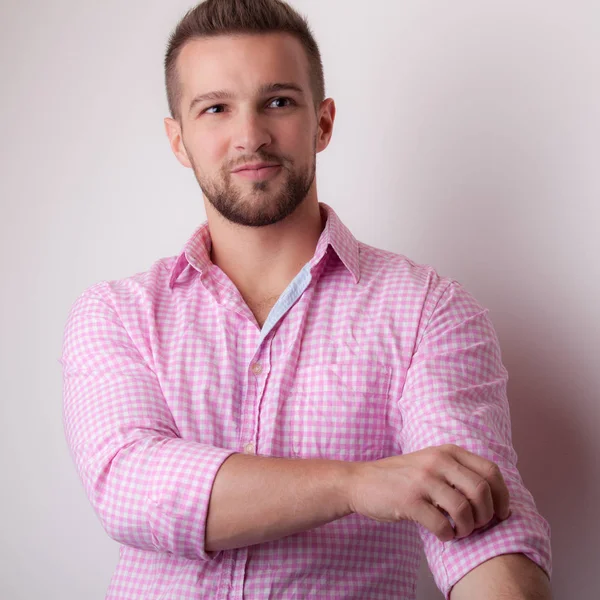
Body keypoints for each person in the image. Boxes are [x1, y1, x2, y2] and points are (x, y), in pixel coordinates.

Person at [60, 0, 552, 598]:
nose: (250, 135)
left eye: (278, 102)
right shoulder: (118, 314)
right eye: (216, 108)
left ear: (322, 122)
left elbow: (478, 525)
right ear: (179, 139)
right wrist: (355, 485)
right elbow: (129, 486)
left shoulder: (428, 312)